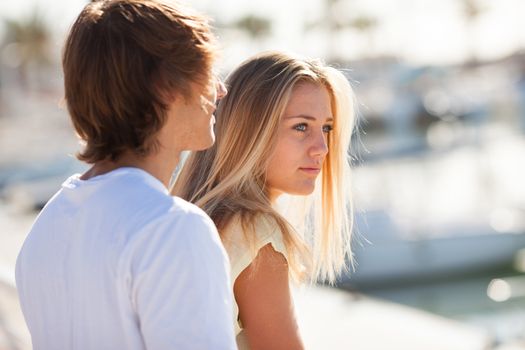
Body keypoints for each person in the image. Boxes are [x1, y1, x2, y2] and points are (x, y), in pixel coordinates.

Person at [15, 1, 236, 349]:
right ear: (167, 86)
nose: (220, 90)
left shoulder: (46, 227)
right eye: (209, 73)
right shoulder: (171, 229)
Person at [172, 51, 356, 349]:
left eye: (326, 128)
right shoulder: (255, 231)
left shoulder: (189, 219)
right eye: (301, 127)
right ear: (251, 132)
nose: (322, 147)